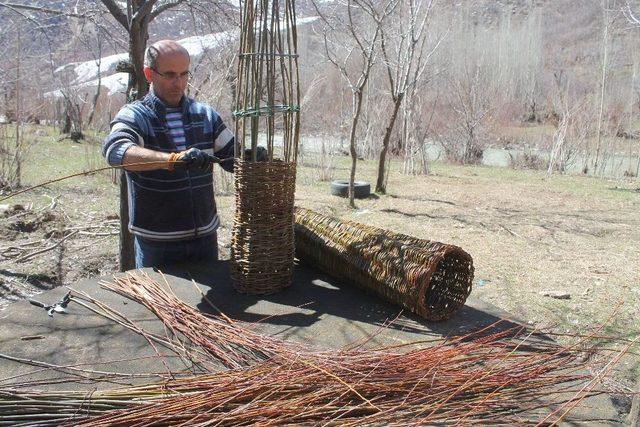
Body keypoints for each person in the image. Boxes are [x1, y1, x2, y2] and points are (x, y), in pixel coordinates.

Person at [102, 40, 235, 268]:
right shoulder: (135, 115)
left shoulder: (205, 115)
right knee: (161, 303)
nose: (179, 83)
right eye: (170, 75)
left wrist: (254, 157)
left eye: (184, 74)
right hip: (157, 244)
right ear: (149, 74)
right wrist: (173, 160)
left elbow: (233, 159)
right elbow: (116, 151)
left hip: (204, 238)